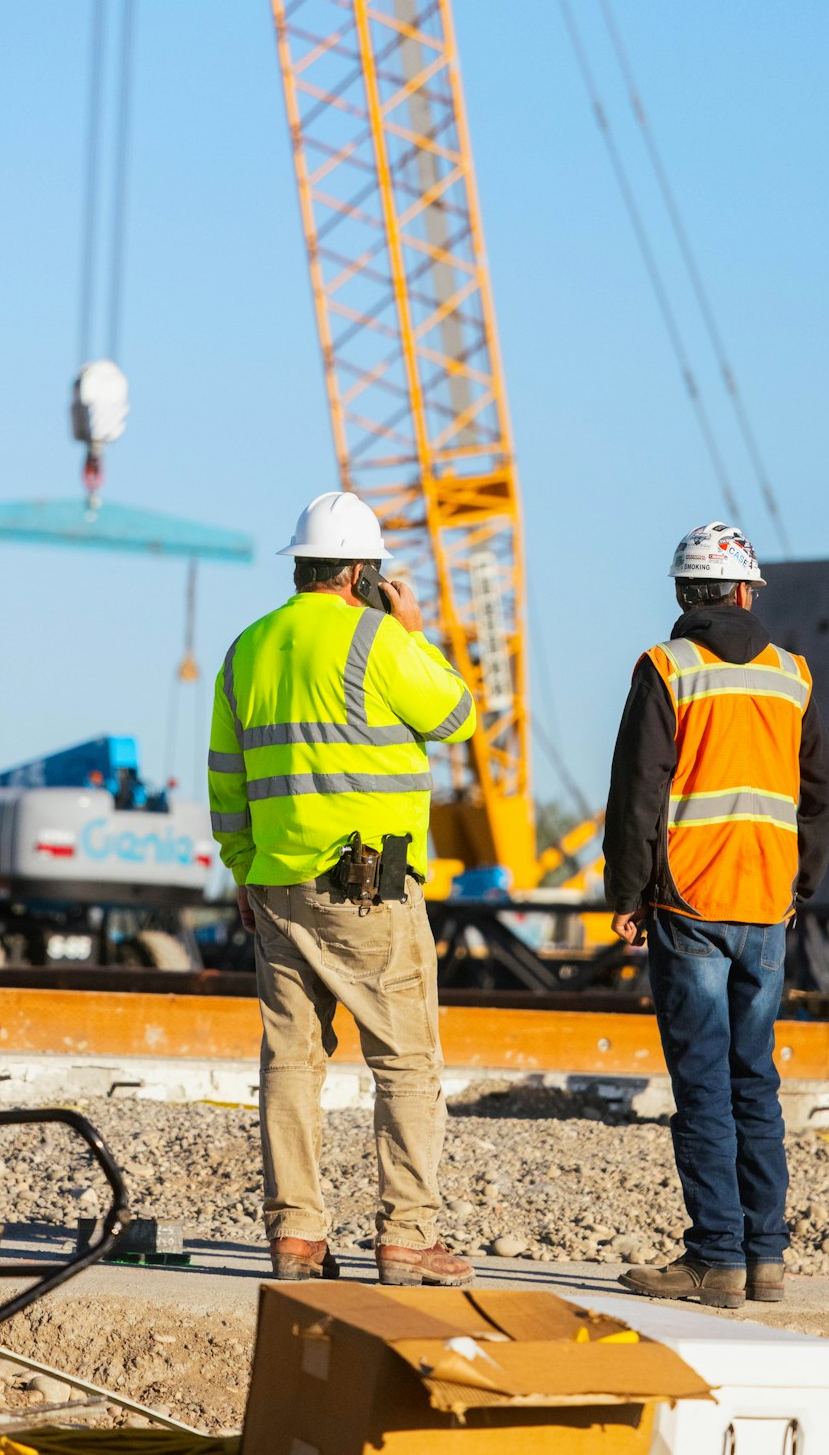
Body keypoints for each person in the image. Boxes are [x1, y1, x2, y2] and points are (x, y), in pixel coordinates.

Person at [207, 490, 478, 1287]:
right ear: (362, 571)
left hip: (278, 885)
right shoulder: (379, 640)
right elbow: (457, 712)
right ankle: (406, 1238)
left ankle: (295, 1237)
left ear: (301, 566)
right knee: (405, 1061)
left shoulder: (248, 647)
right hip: (369, 891)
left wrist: (242, 866)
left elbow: (228, 776)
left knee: (291, 1060)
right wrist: (412, 630)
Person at [603, 522, 829, 1310]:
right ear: (745, 591)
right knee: (754, 1080)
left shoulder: (667, 668)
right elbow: (820, 797)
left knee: (703, 1082)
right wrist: (799, 882)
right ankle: (765, 1256)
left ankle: (716, 1257)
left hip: (690, 903)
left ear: (683, 594)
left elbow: (638, 791)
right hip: (767, 904)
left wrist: (627, 895)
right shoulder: (793, 676)